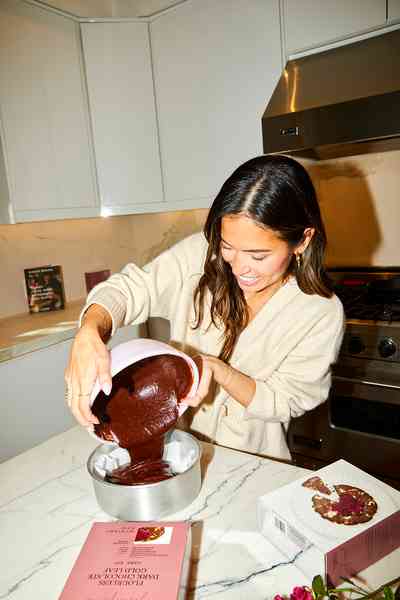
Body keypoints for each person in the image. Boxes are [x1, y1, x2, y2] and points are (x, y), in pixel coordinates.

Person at [65, 154, 344, 460]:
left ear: (302, 241)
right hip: (175, 449)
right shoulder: (199, 256)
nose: (239, 268)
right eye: (227, 248)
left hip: (253, 462)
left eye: (258, 255)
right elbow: (129, 290)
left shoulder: (319, 312)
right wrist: (90, 329)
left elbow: (285, 400)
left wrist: (217, 370)